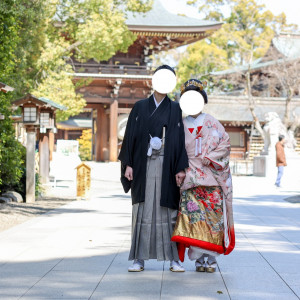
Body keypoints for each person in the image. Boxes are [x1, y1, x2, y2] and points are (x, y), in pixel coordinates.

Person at [118, 65, 189, 272]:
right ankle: (139, 258)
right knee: (142, 210)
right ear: (154, 81)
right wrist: (128, 164)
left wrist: (180, 168)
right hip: (143, 164)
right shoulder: (140, 107)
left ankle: (174, 259)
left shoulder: (175, 108)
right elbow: (130, 136)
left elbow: (178, 139)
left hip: (167, 164)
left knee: (169, 210)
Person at [171, 79, 235, 273]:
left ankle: (212, 259)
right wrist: (179, 170)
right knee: (194, 219)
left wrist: (211, 157)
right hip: (190, 175)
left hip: (211, 176)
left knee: (213, 219)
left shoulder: (212, 122)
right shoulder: (180, 125)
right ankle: (200, 260)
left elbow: (225, 143)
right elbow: (176, 151)